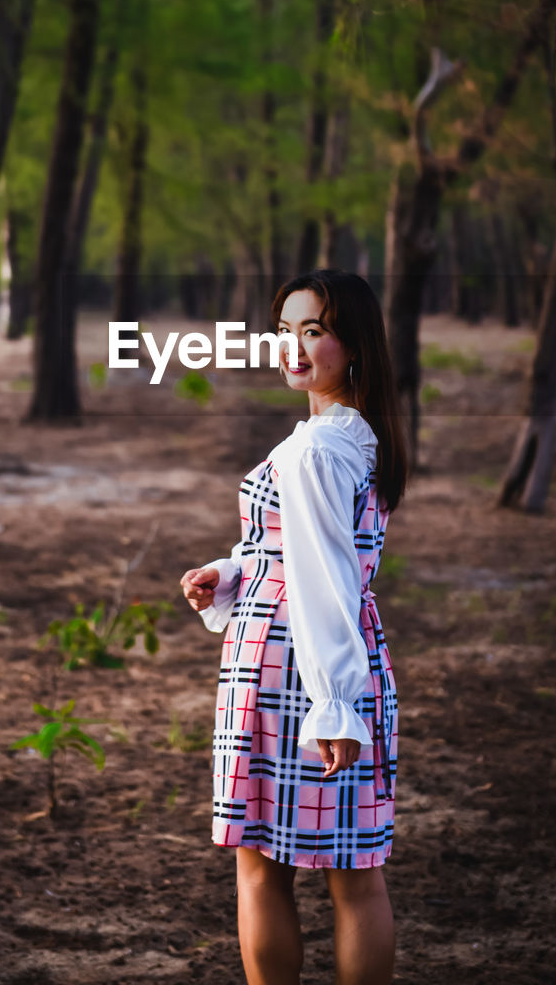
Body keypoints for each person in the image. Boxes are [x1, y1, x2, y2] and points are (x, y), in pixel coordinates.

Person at [180, 268, 408, 985]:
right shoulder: (355, 436)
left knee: (261, 872)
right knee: (357, 872)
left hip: (294, 666)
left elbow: (320, 580)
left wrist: (334, 706)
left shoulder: (313, 449)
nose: (293, 348)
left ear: (355, 342)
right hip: (342, 654)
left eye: (314, 332)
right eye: (285, 332)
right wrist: (233, 571)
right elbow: (312, 555)